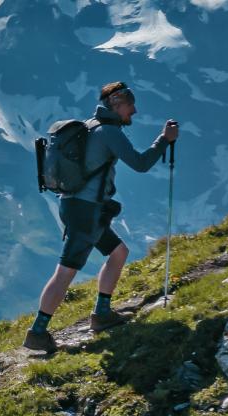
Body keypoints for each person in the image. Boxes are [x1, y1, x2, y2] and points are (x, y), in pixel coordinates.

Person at [23, 81, 179, 352]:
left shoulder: (90, 126)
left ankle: (102, 315)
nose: (135, 110)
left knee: (118, 252)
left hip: (74, 205)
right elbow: (141, 164)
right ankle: (37, 333)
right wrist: (164, 139)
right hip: (86, 210)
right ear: (117, 104)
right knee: (65, 272)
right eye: (131, 104)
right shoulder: (108, 132)